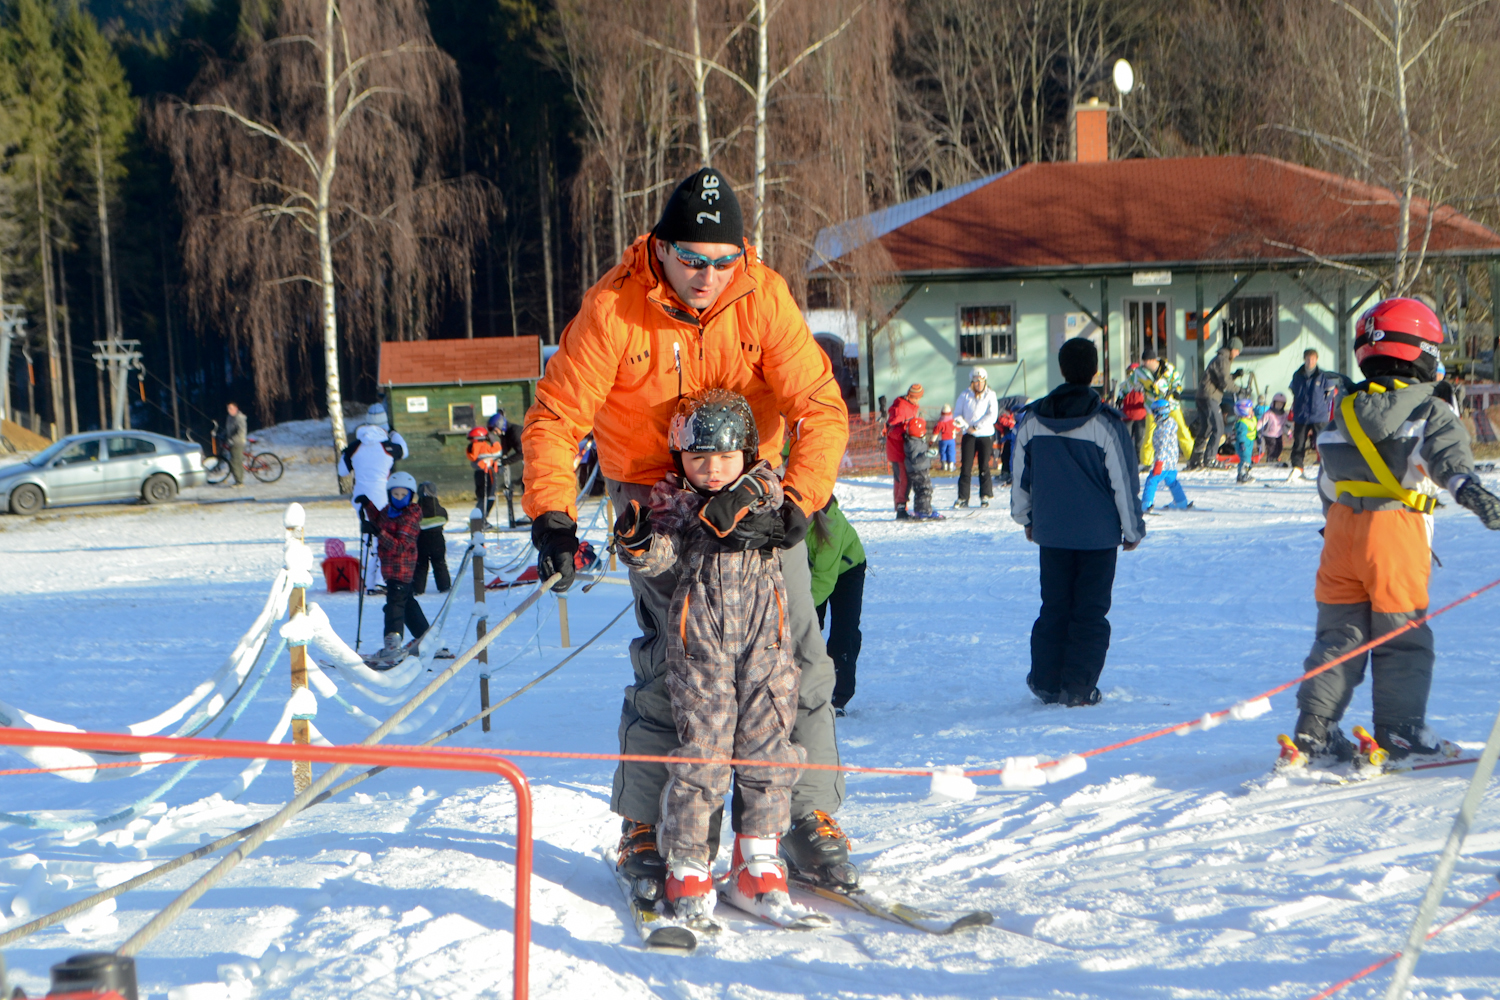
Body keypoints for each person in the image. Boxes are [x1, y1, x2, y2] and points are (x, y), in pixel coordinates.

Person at [520, 166, 855, 901]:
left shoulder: (762, 298)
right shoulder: (615, 310)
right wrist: (553, 513)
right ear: (660, 250)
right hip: (656, 495)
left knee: (792, 651)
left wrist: (798, 500)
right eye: (693, 259)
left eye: (723, 260)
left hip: (754, 491)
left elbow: (821, 406)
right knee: (678, 661)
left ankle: (806, 812)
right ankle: (650, 823)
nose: (708, 276)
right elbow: (555, 417)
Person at [613, 389, 808, 923]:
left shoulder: (763, 487)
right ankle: (688, 863)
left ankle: (758, 859)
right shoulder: (676, 503)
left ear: (746, 453)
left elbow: (776, 496)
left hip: (766, 644)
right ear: (682, 460)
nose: (713, 470)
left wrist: (762, 510)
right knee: (704, 752)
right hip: (702, 649)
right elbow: (661, 555)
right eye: (699, 459)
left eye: (725, 457)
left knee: (768, 746)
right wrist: (637, 543)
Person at [1291, 298, 1500, 764]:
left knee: (1338, 637)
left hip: (1340, 532)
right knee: (1401, 636)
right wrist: (1474, 496)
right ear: (1421, 351)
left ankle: (1314, 730)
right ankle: (1401, 732)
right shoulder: (1430, 409)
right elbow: (1450, 464)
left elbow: (1329, 480)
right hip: (1394, 532)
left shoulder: (1342, 409)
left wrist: (1337, 521)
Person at [1012, 338, 1145, 707]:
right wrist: (1132, 530)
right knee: (1089, 611)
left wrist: (1025, 518)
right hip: (1098, 538)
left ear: (1061, 368)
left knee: (1053, 606)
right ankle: (1079, 687)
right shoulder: (1105, 424)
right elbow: (1124, 481)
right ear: (1095, 371)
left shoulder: (1034, 420)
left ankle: (1046, 681)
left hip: (1052, 532)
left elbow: (1021, 475)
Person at [356, 471, 430, 662]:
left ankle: (392, 645)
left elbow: (400, 546)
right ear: (389, 495)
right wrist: (367, 505)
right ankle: (427, 639)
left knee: (394, 607)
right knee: (407, 604)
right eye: (395, 494)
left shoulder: (410, 517)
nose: (398, 499)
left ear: (410, 496)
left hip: (402, 569)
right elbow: (378, 521)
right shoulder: (388, 511)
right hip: (390, 570)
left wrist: (378, 532)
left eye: (402, 495)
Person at [807, 496, 865, 716]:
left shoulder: (832, 526)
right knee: (808, 630)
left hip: (847, 570)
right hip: (813, 570)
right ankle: (803, 688)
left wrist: (802, 611)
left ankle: (838, 696)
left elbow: (824, 580)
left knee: (844, 632)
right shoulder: (788, 518)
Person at [1187, 336, 1242, 469]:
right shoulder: (1224, 359)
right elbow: (1224, 382)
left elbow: (1220, 377)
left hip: (1202, 396)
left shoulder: (1221, 358)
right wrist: (1239, 389)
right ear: (1233, 349)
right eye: (1238, 351)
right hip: (1210, 397)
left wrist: (1234, 376)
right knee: (1219, 427)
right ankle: (1210, 459)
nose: (1238, 354)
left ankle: (1195, 459)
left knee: (1206, 428)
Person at [1287, 348, 1340, 481]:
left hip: (1319, 416)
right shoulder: (1297, 375)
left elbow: (1331, 392)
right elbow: (1293, 390)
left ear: (1316, 360)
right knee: (1299, 443)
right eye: (1308, 359)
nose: (1310, 361)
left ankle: (1327, 470)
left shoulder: (1323, 376)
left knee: (1322, 442)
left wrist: (1323, 405)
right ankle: (1297, 468)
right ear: (1304, 360)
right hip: (1301, 415)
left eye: (1312, 359)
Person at [953, 367, 999, 508]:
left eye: (981, 381)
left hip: (985, 434)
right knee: (966, 467)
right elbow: (957, 414)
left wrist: (977, 426)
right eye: (976, 381)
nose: (979, 384)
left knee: (984, 466)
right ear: (972, 382)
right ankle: (963, 497)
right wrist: (967, 426)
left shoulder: (990, 395)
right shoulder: (964, 395)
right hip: (969, 435)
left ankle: (985, 495)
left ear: (985, 381)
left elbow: (992, 415)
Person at [1142, 398, 1192, 512]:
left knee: (1152, 480)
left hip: (1163, 462)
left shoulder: (1162, 429)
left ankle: (1146, 504)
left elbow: (1162, 446)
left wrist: (1159, 462)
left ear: (1161, 412)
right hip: (1172, 462)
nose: (1153, 415)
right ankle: (1181, 502)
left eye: (1154, 412)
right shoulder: (1169, 425)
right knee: (1172, 482)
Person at [886, 384, 923, 519]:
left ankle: (900, 506)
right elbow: (891, 429)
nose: (917, 401)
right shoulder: (901, 408)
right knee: (904, 479)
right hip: (898, 450)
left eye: (919, 398)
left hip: (903, 449)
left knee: (900, 478)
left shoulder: (911, 407)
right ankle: (901, 508)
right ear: (909, 396)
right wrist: (905, 434)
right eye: (915, 398)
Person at [412, 481, 450, 595]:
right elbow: (445, 519)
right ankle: (444, 586)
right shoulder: (440, 510)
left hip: (421, 540)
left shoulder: (415, 510)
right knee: (440, 563)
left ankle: (418, 589)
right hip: (438, 539)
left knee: (421, 565)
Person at [904, 416, 941, 520]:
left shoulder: (915, 441)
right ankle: (924, 511)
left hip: (919, 469)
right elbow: (915, 460)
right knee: (925, 490)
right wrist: (926, 455)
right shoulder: (913, 444)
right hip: (918, 470)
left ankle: (920, 509)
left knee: (920, 490)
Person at [466, 426, 503, 516]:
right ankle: (483, 520)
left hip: (478, 474)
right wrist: (493, 441)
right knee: (489, 497)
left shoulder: (472, 448)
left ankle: (477, 518)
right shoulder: (482, 446)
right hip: (486, 473)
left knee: (482, 497)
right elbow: (498, 452)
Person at [1260, 393, 1290, 464]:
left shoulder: (1284, 414)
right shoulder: (1269, 413)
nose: (1279, 406)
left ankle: (1275, 458)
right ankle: (1270, 459)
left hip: (1278, 434)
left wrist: (1288, 432)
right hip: (1269, 434)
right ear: (1274, 403)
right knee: (1272, 447)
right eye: (1277, 404)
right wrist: (1257, 428)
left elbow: (1285, 424)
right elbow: (1262, 421)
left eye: (1281, 404)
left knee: (1279, 447)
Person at [1232, 397, 1257, 483]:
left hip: (1250, 442)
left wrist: (1257, 438)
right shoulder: (1242, 422)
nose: (1252, 410)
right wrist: (1242, 443)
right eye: (1250, 409)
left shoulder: (1251, 419)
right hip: (1244, 443)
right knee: (1245, 459)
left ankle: (1244, 474)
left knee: (1248, 458)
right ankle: (1242, 475)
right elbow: (1241, 434)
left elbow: (1254, 429)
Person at [224, 402, 248, 487]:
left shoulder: (239, 418)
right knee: (236, 461)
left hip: (238, 442)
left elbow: (241, 432)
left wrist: (232, 440)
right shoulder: (230, 418)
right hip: (232, 442)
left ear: (236, 408)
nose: (229, 410)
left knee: (235, 461)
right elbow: (228, 430)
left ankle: (239, 482)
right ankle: (239, 480)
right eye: (228, 408)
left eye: (231, 408)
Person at [996, 407, 1018, 486]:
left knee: (1014, 459)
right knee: (1006, 456)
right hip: (1011, 444)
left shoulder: (1020, 424)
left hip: (1016, 447)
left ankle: (1013, 475)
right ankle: (1007, 473)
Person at [932, 405, 957, 471]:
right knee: (951, 452)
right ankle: (951, 465)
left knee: (943, 452)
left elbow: (936, 432)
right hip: (951, 440)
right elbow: (957, 429)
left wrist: (932, 440)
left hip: (942, 440)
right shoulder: (953, 422)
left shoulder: (940, 423)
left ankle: (944, 465)